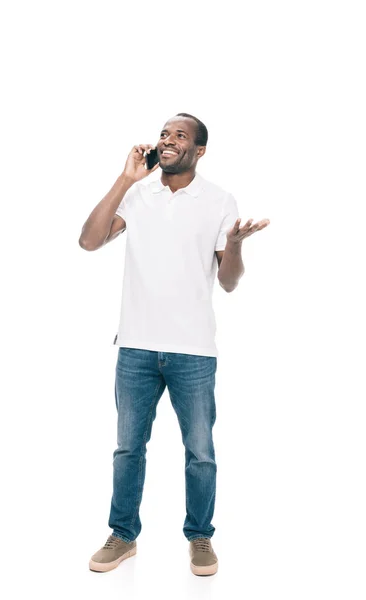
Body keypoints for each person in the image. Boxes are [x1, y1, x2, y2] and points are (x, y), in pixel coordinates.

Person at [79, 113, 270, 576]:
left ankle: (200, 537)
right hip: (136, 348)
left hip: (193, 351)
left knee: (200, 451)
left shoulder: (220, 200)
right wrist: (125, 178)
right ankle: (123, 536)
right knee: (128, 449)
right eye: (164, 133)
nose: (167, 140)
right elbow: (88, 241)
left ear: (199, 150)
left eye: (179, 136)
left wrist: (236, 243)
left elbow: (228, 283)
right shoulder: (138, 193)